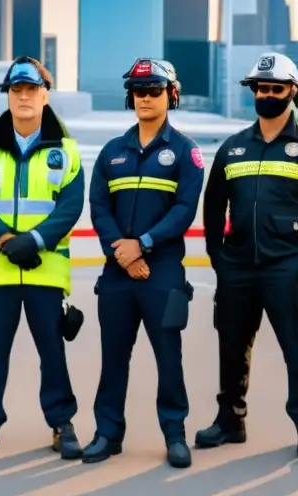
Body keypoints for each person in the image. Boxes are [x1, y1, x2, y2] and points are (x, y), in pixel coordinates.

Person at [196, 52, 298, 462]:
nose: (266, 94)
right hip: (237, 265)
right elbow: (213, 205)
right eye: (260, 88)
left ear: (292, 93)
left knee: (296, 349)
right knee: (231, 347)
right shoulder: (233, 148)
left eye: (275, 89)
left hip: (287, 267)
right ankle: (230, 421)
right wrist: (217, 256)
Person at [0, 56, 85, 463]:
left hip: (45, 273)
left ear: (45, 95)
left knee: (53, 353)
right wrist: (4, 240)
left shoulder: (66, 152)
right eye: (17, 90)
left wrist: (33, 240)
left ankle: (61, 423)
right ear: (9, 96)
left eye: (32, 90)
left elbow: (70, 208)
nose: (25, 97)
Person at [82, 58, 204, 468]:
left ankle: (175, 434)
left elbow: (184, 209)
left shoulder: (186, 152)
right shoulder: (112, 152)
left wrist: (144, 243)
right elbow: (99, 206)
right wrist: (121, 248)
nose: (145, 98)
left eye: (154, 90)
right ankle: (107, 433)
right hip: (118, 273)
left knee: (169, 358)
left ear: (171, 95)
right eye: (139, 91)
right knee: (113, 358)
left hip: (163, 273)